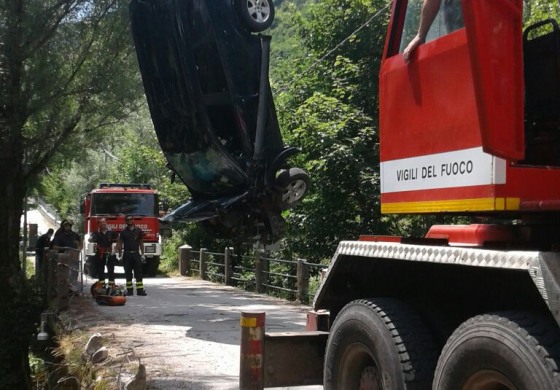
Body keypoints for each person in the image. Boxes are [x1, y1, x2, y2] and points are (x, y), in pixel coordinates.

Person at [116, 215, 147, 296]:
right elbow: (120, 243)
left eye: (130, 219)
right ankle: (129, 291)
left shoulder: (138, 231)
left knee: (138, 273)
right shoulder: (123, 232)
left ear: (133, 220)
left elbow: (141, 243)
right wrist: (119, 255)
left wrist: (143, 254)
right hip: (127, 254)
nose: (129, 221)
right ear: (125, 221)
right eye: (127, 220)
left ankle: (140, 290)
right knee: (128, 273)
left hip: (136, 254)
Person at [89, 218, 118, 289]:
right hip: (100, 254)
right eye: (102, 223)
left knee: (111, 270)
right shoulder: (96, 233)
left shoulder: (111, 232)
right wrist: (92, 239)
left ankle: (111, 286)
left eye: (104, 223)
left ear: (106, 223)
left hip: (109, 253)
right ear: (99, 224)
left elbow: (118, 239)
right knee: (100, 270)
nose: (103, 225)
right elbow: (90, 239)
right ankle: (102, 286)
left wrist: (116, 249)